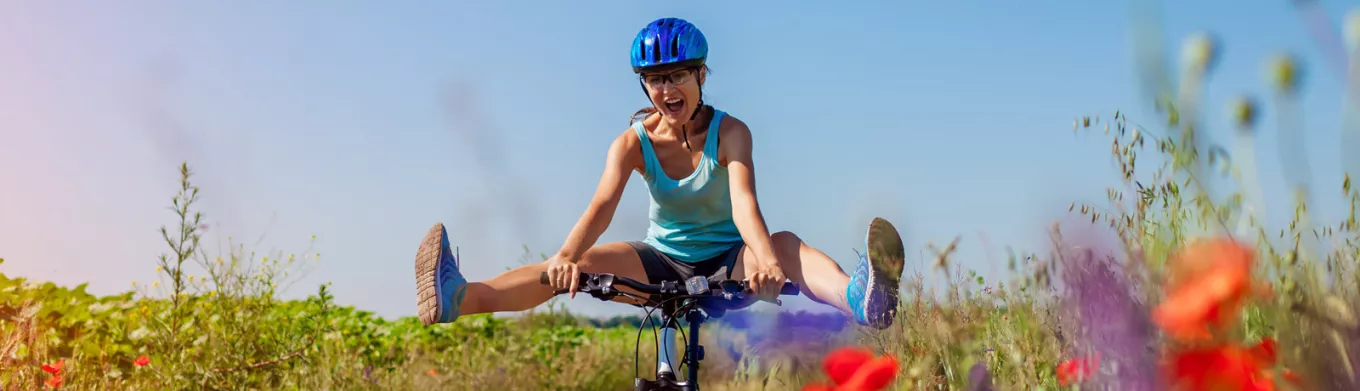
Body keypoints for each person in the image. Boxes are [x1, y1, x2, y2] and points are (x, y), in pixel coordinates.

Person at [414, 17, 906, 330]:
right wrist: (566, 256)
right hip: (660, 261)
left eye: (677, 76)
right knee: (572, 267)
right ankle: (460, 297)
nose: (666, 89)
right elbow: (601, 207)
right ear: (644, 84)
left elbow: (744, 204)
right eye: (655, 79)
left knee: (785, 244)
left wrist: (764, 260)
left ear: (701, 77)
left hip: (729, 262)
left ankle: (860, 299)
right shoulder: (632, 143)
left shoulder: (731, 133)